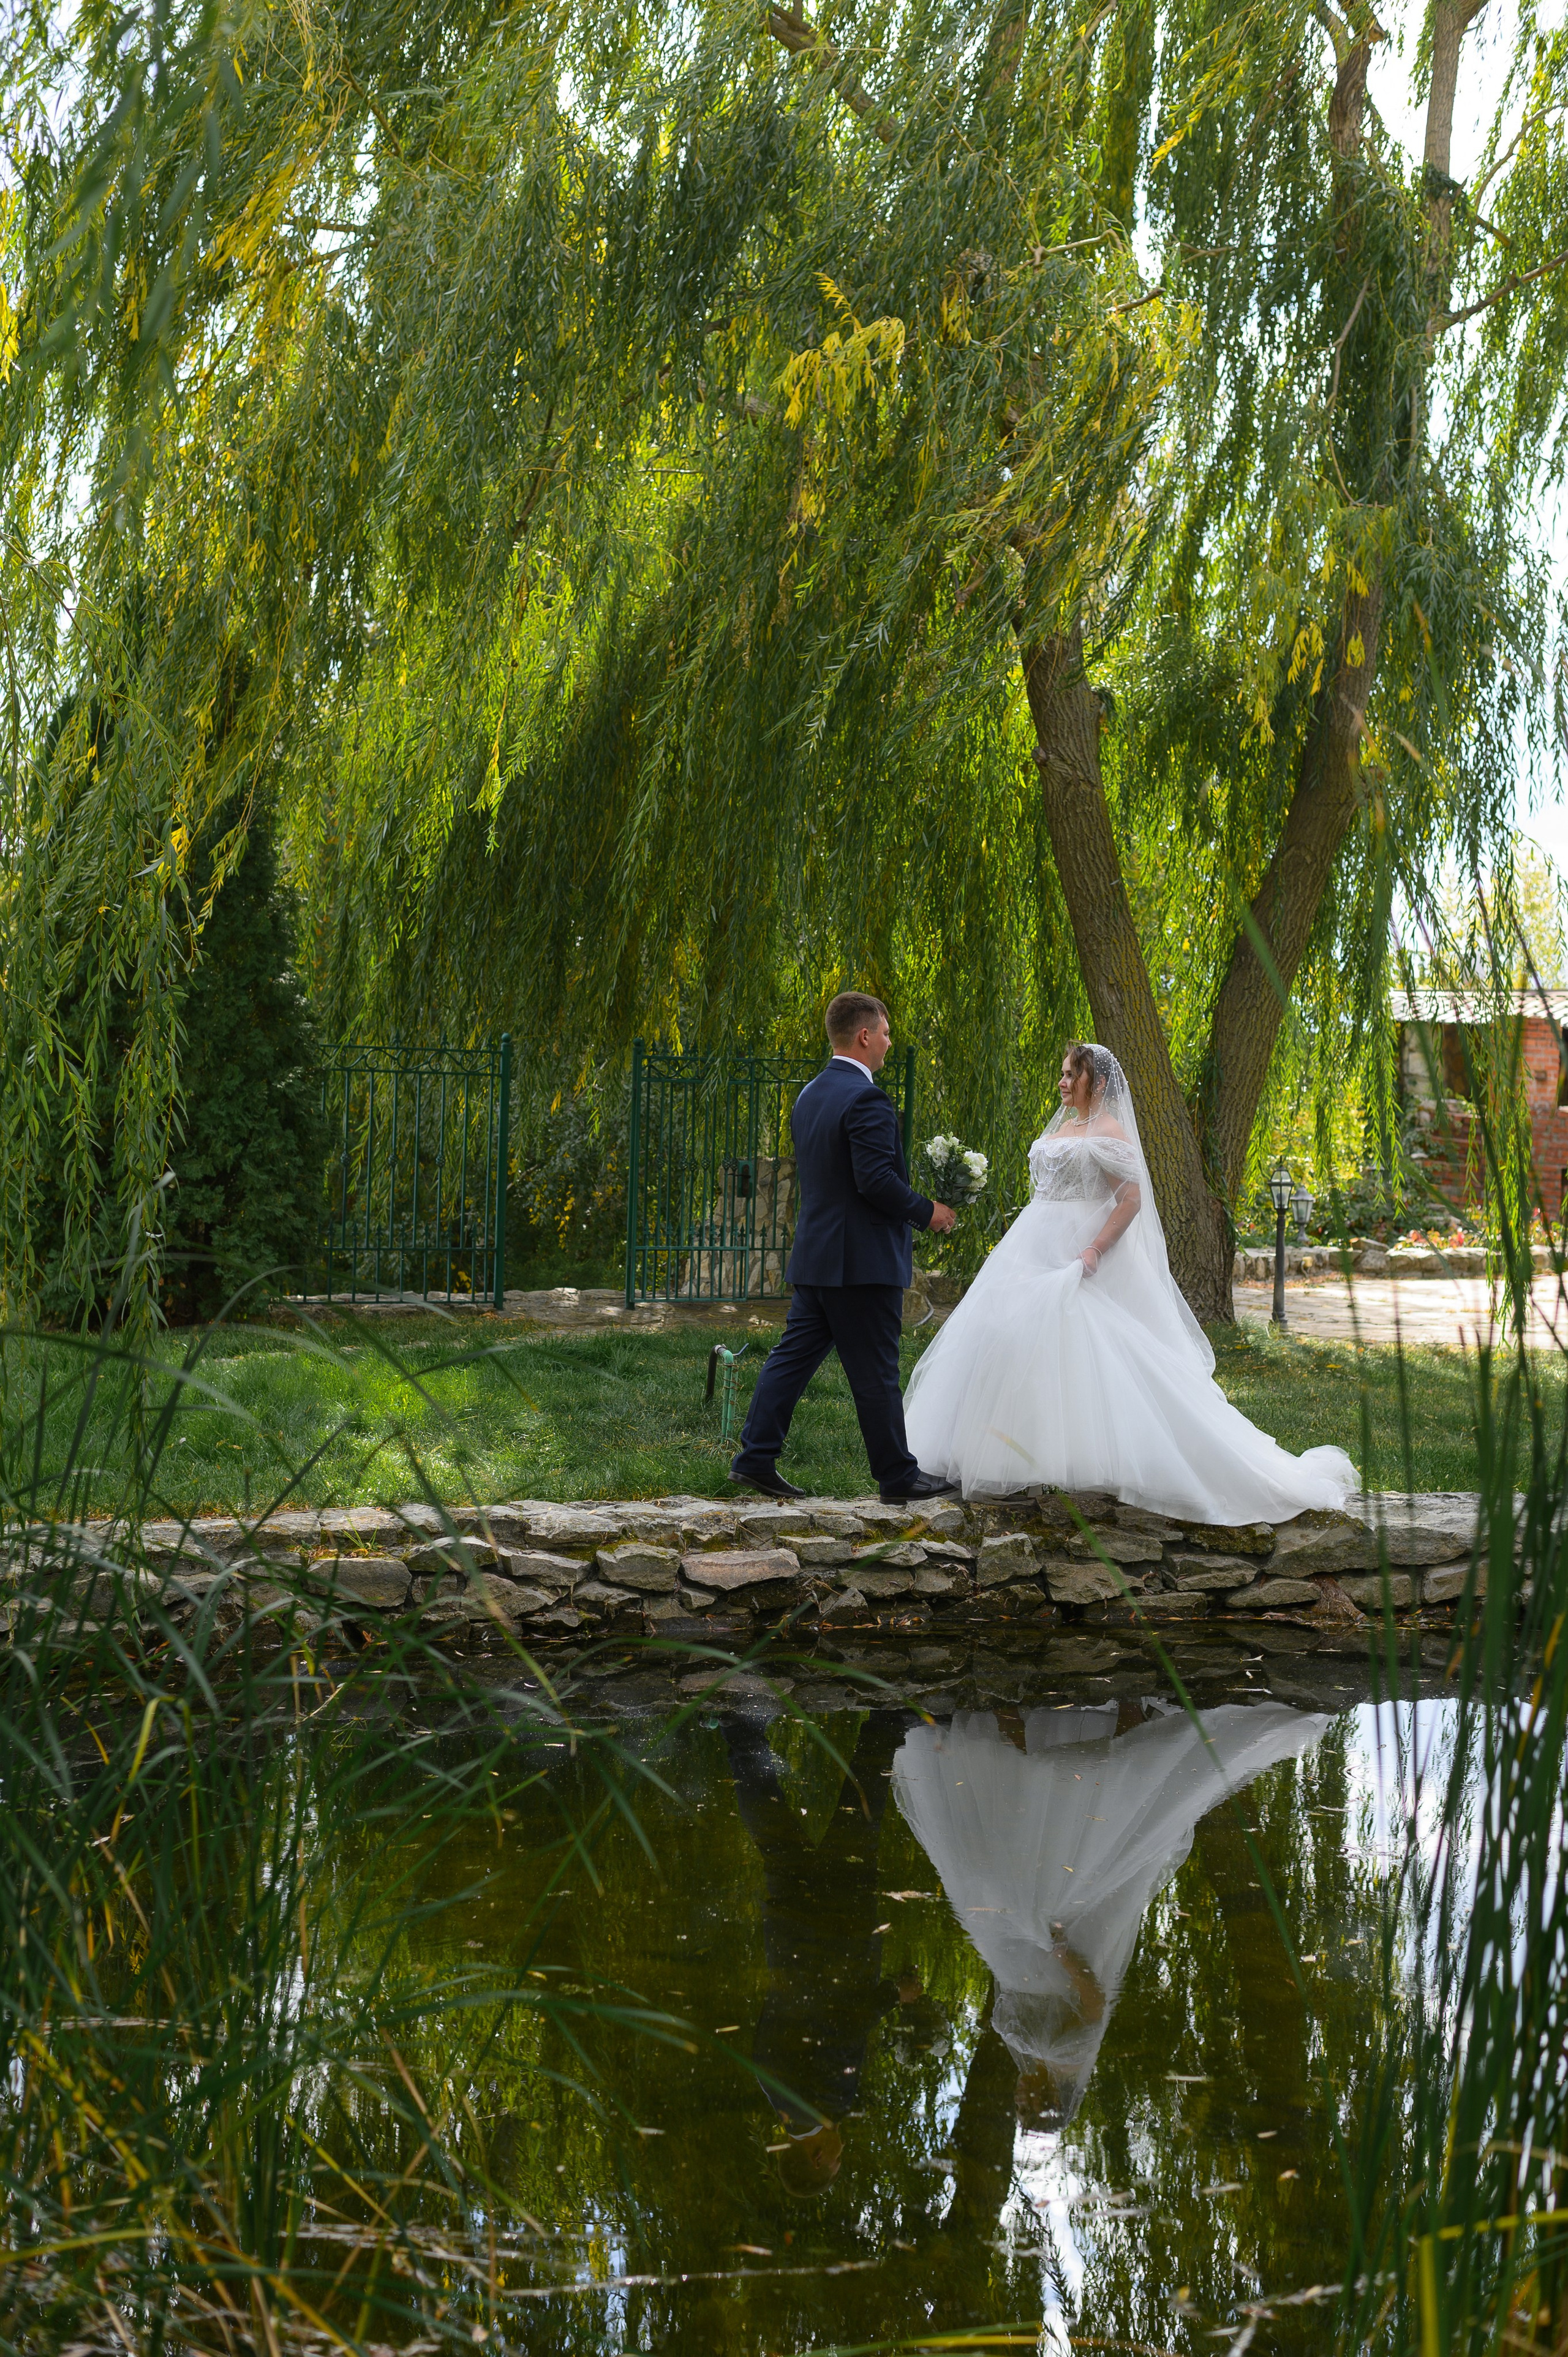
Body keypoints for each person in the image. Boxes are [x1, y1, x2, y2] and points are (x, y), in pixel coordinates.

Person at [902, 1040, 1358, 1520]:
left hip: (1079, 1252)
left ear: (1096, 1083)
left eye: (1070, 1076)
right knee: (1008, 1338)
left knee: (1088, 1347)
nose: (1061, 1082)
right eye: (1061, 1074)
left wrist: (1094, 1250)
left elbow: (1130, 1200)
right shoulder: (1065, 1126)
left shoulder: (1109, 1131)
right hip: (1032, 1246)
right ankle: (1001, 1457)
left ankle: (1087, 1464)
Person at [890, 1697, 1330, 2130]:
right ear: (1047, 2102)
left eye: (1018, 2109)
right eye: (1026, 2109)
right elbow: (1094, 2002)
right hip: (1057, 1939)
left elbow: (1013, 1989)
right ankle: (1128, 1719)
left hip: (1013, 1937)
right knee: (1085, 1833)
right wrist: (1062, 1953)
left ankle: (1010, 1714)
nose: (1016, 2101)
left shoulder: (1032, 2054)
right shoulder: (1068, 2055)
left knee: (1007, 1838)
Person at [730, 991, 959, 1504]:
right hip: (862, 1263)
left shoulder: (810, 1095)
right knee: (877, 1371)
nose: (889, 1041)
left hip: (817, 1257)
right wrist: (929, 1211)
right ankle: (898, 1477)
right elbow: (874, 1180)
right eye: (884, 1032)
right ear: (864, 1036)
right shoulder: (867, 1099)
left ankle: (755, 1458)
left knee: (790, 1360)